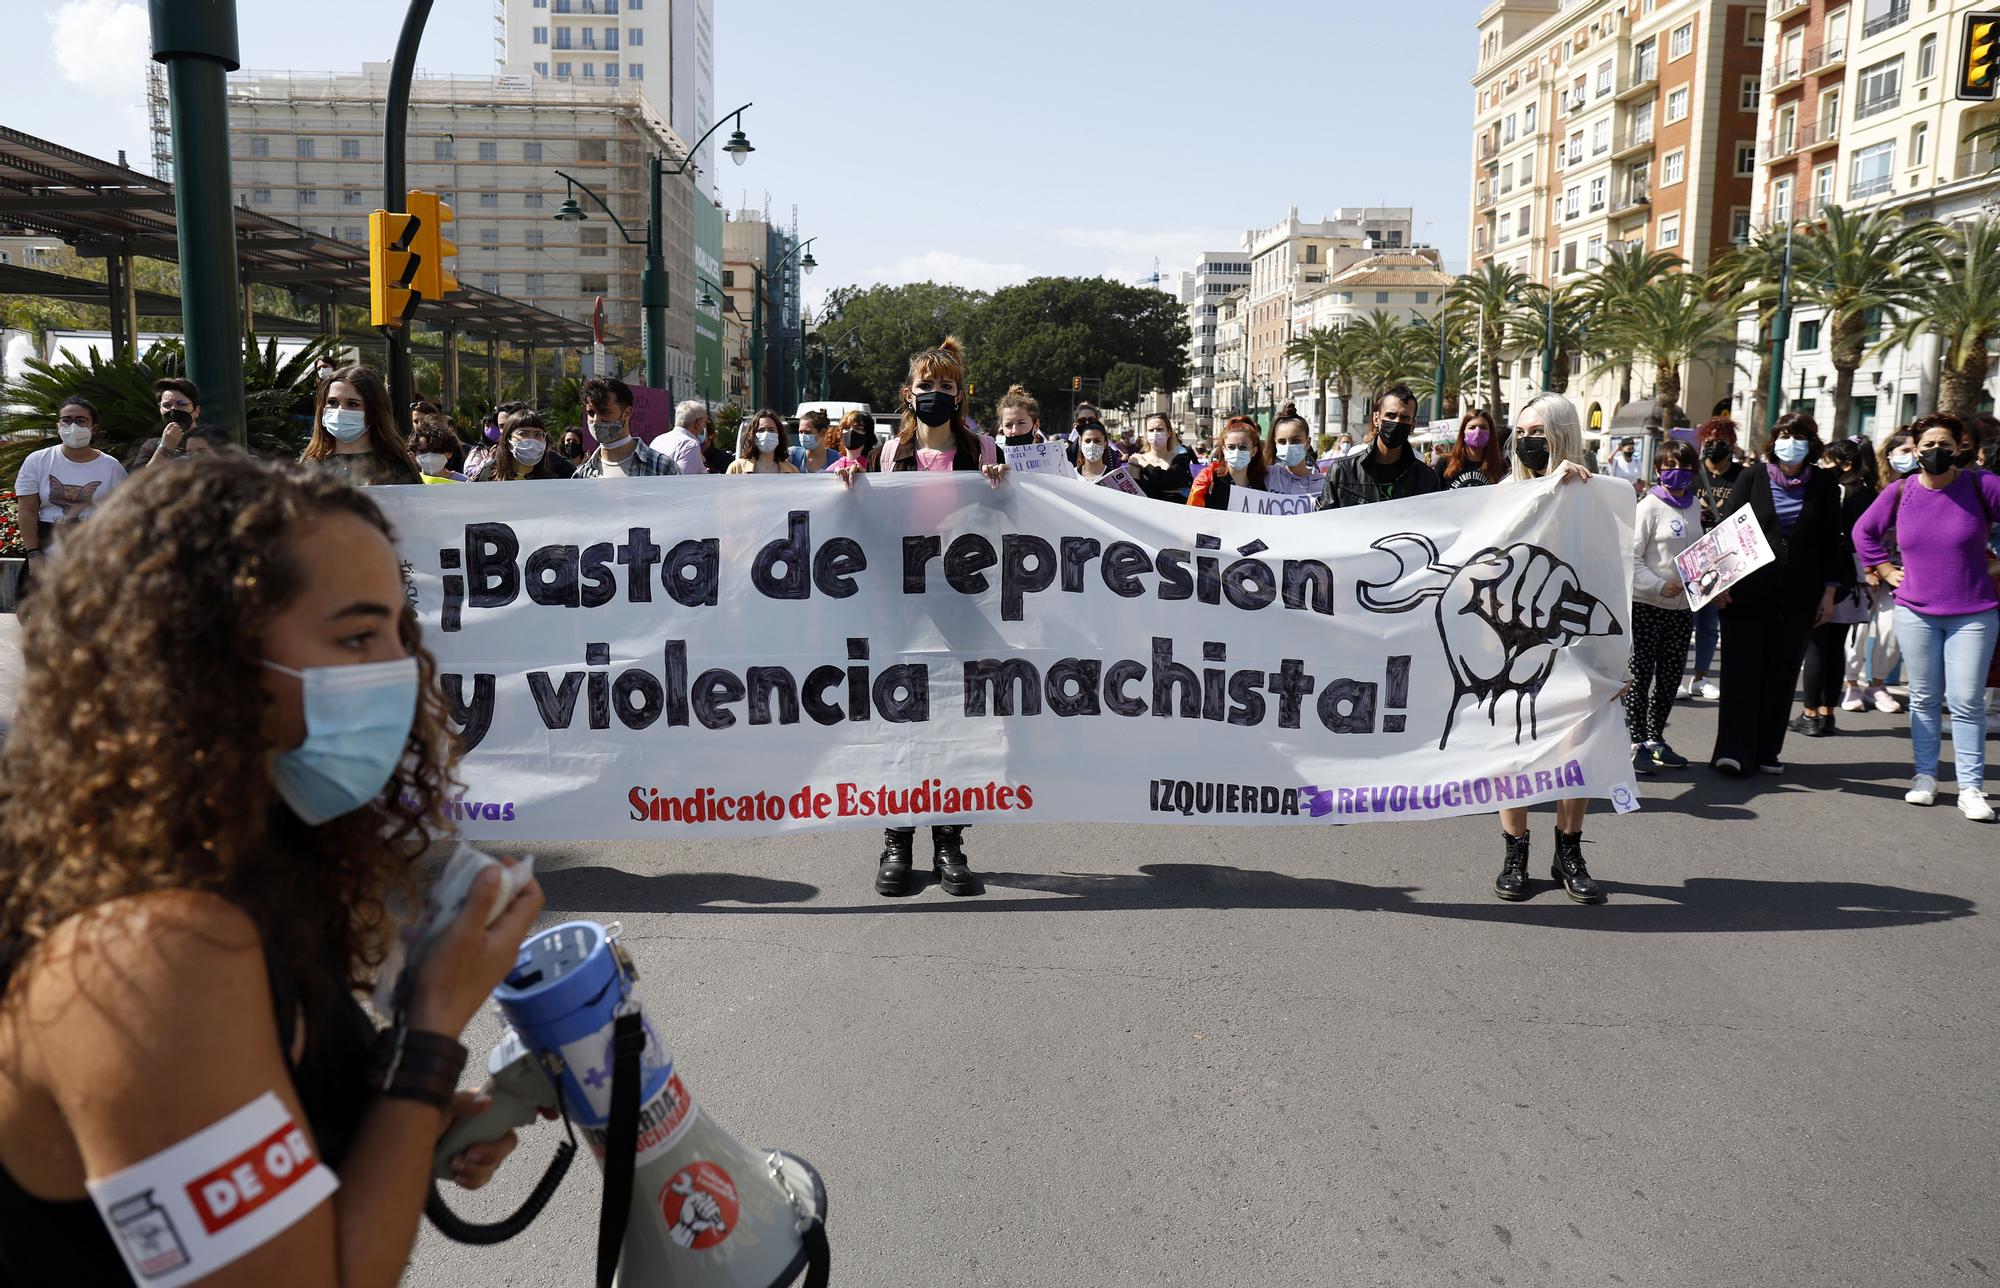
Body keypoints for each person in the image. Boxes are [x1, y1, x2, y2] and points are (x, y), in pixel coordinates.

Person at [0, 456, 546, 1284]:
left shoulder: (244, 869)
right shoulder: (155, 948)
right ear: (201, 657)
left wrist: (395, 1120)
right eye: (357, 636)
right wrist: (429, 1039)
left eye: (401, 635)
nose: (398, 674)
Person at [843, 337, 1005, 896]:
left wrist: (1003, 489)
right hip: (903, 604)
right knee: (900, 719)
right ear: (908, 394)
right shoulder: (889, 454)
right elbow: (870, 519)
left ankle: (948, 843)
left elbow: (1008, 521)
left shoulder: (980, 449)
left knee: (953, 724)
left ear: (959, 395)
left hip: (961, 605)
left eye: (947, 387)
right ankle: (897, 839)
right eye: (926, 386)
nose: (936, 395)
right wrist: (848, 481)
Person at [1493, 394, 1611, 905]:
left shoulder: (1595, 495)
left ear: (1562, 432)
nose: (1527, 441)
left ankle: (1569, 850)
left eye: (1538, 430)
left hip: (1574, 642)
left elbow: (1611, 575)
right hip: (1512, 639)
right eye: (1521, 432)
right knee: (1511, 746)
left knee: (1575, 748)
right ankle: (1514, 849)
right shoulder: (1502, 492)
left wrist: (1616, 656)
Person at [1853, 412, 2000, 820]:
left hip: (1973, 613)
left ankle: (1971, 788)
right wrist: (1883, 569)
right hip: (1915, 611)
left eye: (1945, 446)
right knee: (1923, 698)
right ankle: (1925, 777)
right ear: (1915, 450)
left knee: (1966, 701)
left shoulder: (1981, 485)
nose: (1937, 452)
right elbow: (1863, 532)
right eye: (1928, 445)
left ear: (1961, 449)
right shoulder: (1901, 492)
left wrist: (1993, 566)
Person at [1709, 412, 1850, 776]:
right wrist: (1718, 585)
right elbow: (1726, 531)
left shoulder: (1824, 484)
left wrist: (1829, 594)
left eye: (1799, 435)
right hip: (1746, 594)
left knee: (1782, 673)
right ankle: (1733, 751)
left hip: (1800, 596)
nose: (1791, 442)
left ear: (1811, 443)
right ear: (1774, 441)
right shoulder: (1751, 477)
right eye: (1784, 434)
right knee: (1741, 672)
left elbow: (1832, 543)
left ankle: (1767, 751)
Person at [1791, 437, 1878, 735]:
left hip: (1829, 576)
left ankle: (1810, 712)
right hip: (1854, 581)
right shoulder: (1868, 492)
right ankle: (1828, 714)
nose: (1822, 466)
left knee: (1817, 646)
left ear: (1846, 464)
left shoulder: (1838, 492)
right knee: (1835, 648)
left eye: (1828, 461)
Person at [1627, 440, 1704, 775]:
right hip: (1647, 605)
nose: (1678, 473)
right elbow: (1631, 558)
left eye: (1686, 467)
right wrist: (1659, 584)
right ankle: (1636, 742)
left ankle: (1657, 737)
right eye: (1670, 465)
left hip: (1682, 609)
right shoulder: (1648, 507)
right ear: (1658, 469)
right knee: (1640, 676)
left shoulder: (1694, 507)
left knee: (1671, 677)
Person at [12, 397, 129, 577]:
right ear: (58, 426)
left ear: (94, 428)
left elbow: (122, 515)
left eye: (81, 420)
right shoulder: (37, 460)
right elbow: (27, 510)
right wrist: (34, 554)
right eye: (66, 420)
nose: (72, 426)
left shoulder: (111, 467)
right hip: (46, 551)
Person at [1844, 429, 1916, 714]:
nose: (1910, 456)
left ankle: (1877, 685)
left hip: (1903, 574)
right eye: (1904, 450)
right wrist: (1871, 568)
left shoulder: (1925, 486)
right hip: (1868, 571)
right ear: (1889, 455)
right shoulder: (1872, 489)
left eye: (1914, 449)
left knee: (1892, 631)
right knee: (1859, 630)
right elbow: (1859, 531)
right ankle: (1851, 684)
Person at [1682, 417, 1744, 701]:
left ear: (1731, 444)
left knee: (1709, 623)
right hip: (1691, 555)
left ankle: (1701, 677)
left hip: (1724, 556)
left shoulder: (1742, 477)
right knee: (1684, 622)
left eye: (1721, 440)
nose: (1714, 445)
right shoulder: (1692, 474)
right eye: (1709, 440)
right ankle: (1679, 676)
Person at [1317, 384, 1441, 509]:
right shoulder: (1343, 471)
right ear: (1377, 418)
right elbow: (1324, 520)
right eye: (1390, 415)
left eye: (1404, 418)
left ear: (1412, 425)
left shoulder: (1426, 478)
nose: (1397, 422)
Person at [300, 366, 422, 487]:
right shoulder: (308, 468)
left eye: (353, 404)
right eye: (333, 402)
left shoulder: (396, 472)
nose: (340, 411)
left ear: (374, 410)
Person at [571, 378, 678, 478]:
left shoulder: (662, 468)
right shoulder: (582, 474)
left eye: (604, 412)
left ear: (627, 413)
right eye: (591, 413)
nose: (595, 420)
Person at [1187, 417, 1267, 509]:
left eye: (1243, 447)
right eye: (1231, 447)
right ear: (1224, 450)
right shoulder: (1210, 480)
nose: (1237, 452)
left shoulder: (1262, 482)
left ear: (1253, 451)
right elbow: (1192, 513)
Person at [476, 409, 575, 481]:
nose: (531, 440)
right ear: (507, 440)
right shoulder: (488, 474)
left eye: (538, 434)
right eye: (523, 433)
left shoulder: (560, 474)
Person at [1126, 412, 1194, 502]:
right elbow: (1133, 495)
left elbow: (1170, 481)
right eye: (1151, 430)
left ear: (1169, 433)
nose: (1155, 433)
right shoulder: (1135, 462)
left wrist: (1144, 464)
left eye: (1159, 429)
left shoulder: (1181, 459)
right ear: (1146, 434)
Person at [1440, 408, 1505, 489]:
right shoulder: (1445, 462)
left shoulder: (1501, 467)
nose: (1477, 432)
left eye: (1483, 427)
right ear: (1463, 432)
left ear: (1491, 433)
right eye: (1472, 427)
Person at [1266, 405, 1321, 496]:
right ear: (1275, 442)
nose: (1288, 446)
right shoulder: (1267, 477)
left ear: (1307, 443)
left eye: (1295, 441)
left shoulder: (1323, 484)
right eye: (1282, 441)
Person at [727, 410, 800, 475]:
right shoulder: (737, 468)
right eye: (761, 430)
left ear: (779, 435)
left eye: (771, 430)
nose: (766, 434)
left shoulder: (792, 471)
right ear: (753, 436)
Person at [151, 377, 204, 464]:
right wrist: (164, 448)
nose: (173, 409)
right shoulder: (152, 446)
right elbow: (139, 477)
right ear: (160, 410)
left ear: (196, 410)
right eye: (167, 405)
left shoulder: (212, 440)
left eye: (181, 404)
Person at [656, 400, 711, 475]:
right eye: (705, 422)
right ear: (698, 423)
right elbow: (683, 481)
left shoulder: (658, 440)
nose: (705, 427)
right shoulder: (690, 445)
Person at [408, 418, 468, 482]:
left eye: (435, 451)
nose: (429, 456)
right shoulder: (410, 481)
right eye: (423, 451)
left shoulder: (464, 482)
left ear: (449, 453)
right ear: (415, 454)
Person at [791, 408, 833, 473]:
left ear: (823, 433)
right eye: (800, 432)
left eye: (808, 432)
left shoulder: (836, 459)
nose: (803, 436)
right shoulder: (792, 456)